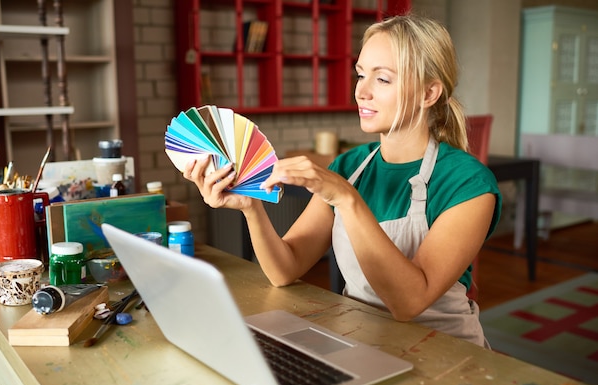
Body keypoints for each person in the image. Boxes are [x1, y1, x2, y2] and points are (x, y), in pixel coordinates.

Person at [183, 14, 502, 347]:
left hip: (445, 351)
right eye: (361, 75)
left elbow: (409, 303)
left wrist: (346, 198)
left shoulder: (469, 183)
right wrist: (251, 207)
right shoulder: (349, 165)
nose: (361, 91)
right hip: (361, 340)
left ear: (428, 92)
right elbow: (285, 268)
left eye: (383, 79)